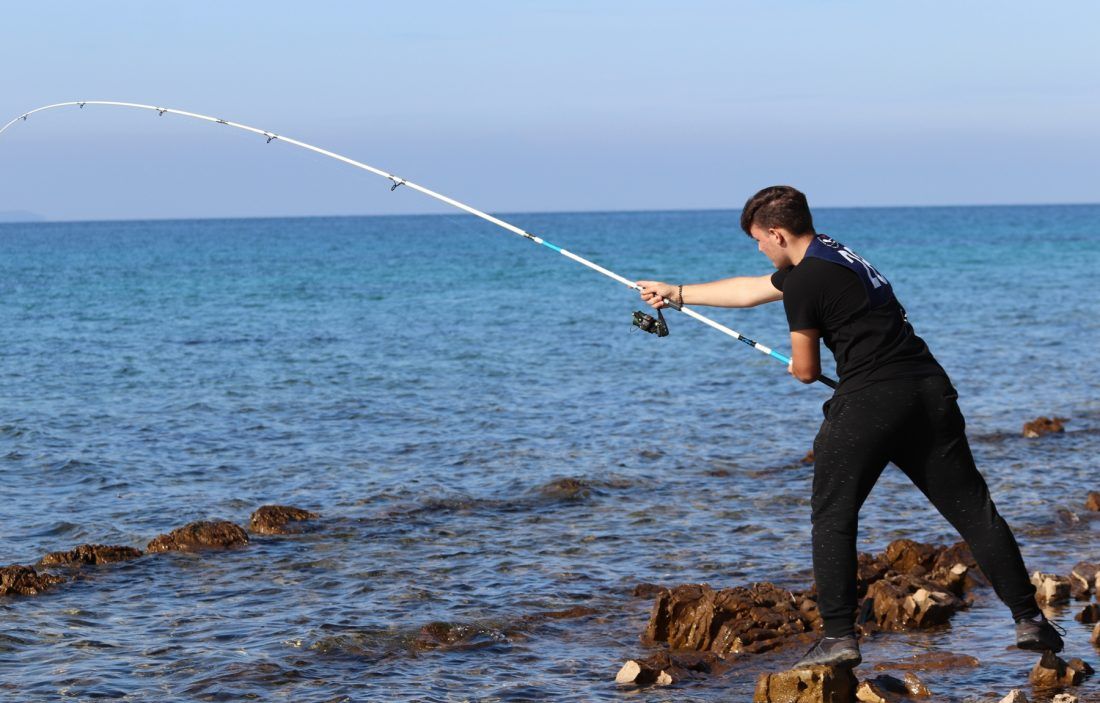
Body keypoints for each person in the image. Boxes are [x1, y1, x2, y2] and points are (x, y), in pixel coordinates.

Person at [637, 185, 1064, 669]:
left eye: (760, 240)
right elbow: (754, 288)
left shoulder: (803, 282)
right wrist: (679, 293)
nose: (759, 248)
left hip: (870, 404)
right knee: (974, 513)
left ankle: (839, 636)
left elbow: (803, 368)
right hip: (929, 391)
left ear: (776, 233)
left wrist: (799, 368)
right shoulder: (836, 253)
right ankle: (1030, 619)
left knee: (833, 518)